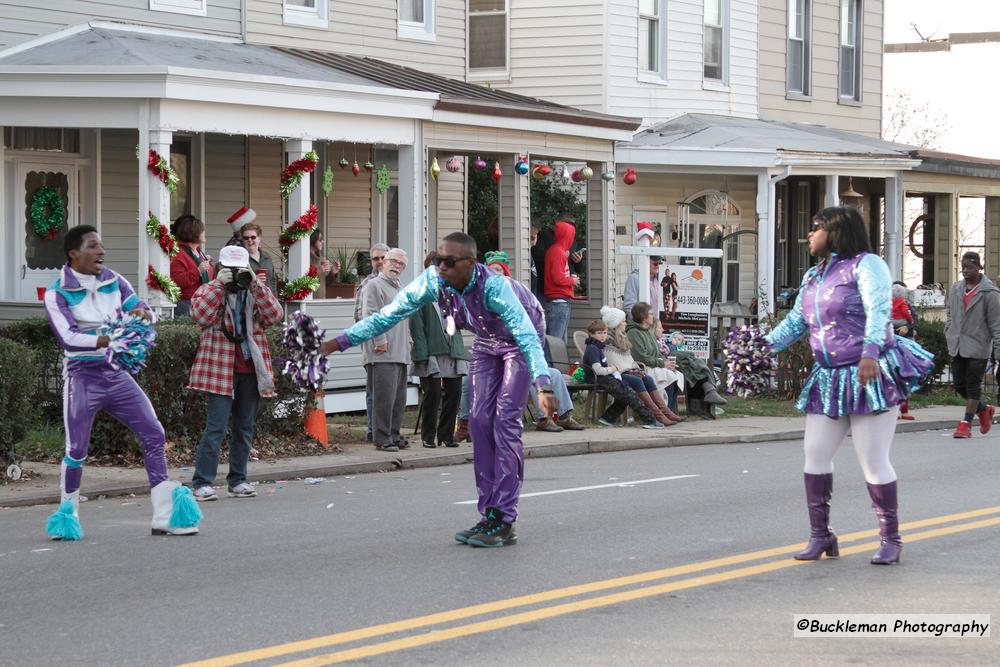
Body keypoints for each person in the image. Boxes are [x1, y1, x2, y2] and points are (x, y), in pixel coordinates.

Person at [320, 232, 560, 548]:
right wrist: (338, 343)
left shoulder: (495, 287)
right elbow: (388, 316)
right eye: (438, 261)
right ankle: (488, 513)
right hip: (488, 342)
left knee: (504, 422)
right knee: (478, 421)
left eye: (449, 262)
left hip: (519, 338)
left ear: (471, 264)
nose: (441, 267)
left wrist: (542, 385)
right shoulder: (434, 282)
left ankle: (504, 519)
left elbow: (527, 337)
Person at [766, 206, 933, 566]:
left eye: (815, 228)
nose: (809, 235)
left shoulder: (866, 264)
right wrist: (759, 347)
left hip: (866, 372)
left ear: (836, 231)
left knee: (873, 461)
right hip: (828, 376)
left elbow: (878, 310)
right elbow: (797, 322)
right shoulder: (813, 276)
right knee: (814, 454)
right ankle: (821, 535)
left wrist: (870, 353)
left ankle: (891, 539)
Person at [43, 225, 201, 539]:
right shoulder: (56, 292)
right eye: (93, 246)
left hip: (117, 376)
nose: (101, 252)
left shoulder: (115, 281)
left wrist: (144, 317)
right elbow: (69, 338)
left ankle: (164, 516)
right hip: (82, 379)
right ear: (74, 253)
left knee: (154, 432)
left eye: (101, 245)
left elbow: (141, 309)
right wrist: (109, 339)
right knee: (76, 450)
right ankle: (67, 515)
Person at [188, 245, 284, 501]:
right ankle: (202, 482)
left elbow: (275, 315)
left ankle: (238, 480)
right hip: (220, 368)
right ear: (220, 267)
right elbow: (200, 315)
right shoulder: (209, 290)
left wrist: (255, 284)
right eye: (229, 268)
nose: (234, 273)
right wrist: (218, 285)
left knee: (244, 427)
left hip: (250, 368)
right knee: (216, 427)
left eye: (239, 269)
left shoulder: (253, 291)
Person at [411, 251, 468, 449]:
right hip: (431, 351)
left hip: (453, 349)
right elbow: (417, 327)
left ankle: (446, 435)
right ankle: (428, 436)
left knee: (454, 394)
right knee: (432, 395)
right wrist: (422, 354)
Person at [945, 251, 1000, 439]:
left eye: (969, 267)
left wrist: (998, 350)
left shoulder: (990, 293)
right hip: (958, 345)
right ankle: (984, 410)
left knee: (973, 384)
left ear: (979, 267)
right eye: (963, 268)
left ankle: (966, 423)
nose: (965, 271)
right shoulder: (955, 289)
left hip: (978, 346)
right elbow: (950, 314)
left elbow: (996, 324)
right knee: (960, 385)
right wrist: (949, 331)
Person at [362, 247, 412, 452]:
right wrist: (379, 340)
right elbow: (371, 314)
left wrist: (408, 339)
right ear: (384, 262)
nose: (397, 266)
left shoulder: (399, 287)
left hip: (400, 351)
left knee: (398, 399)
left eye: (401, 264)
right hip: (381, 352)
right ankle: (382, 438)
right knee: (383, 398)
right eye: (393, 261)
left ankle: (394, 434)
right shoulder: (374, 285)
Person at [601, 306, 680, 426]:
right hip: (612, 374)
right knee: (637, 381)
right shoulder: (608, 339)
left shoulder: (621, 337)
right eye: (623, 322)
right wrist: (632, 370)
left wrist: (636, 369)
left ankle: (665, 412)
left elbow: (628, 359)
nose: (625, 323)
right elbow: (614, 362)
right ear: (616, 324)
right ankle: (655, 416)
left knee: (646, 378)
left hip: (624, 372)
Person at [582, 319, 663, 429]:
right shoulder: (593, 348)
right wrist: (612, 369)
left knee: (627, 392)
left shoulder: (598, 346)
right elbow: (598, 370)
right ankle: (650, 420)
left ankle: (607, 418)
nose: (602, 336)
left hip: (606, 377)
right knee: (629, 394)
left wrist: (611, 370)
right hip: (598, 379)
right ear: (591, 334)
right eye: (599, 333)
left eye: (604, 333)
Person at [355, 243, 391, 443]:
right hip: (372, 342)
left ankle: (388, 430)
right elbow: (360, 315)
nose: (379, 262)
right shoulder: (367, 284)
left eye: (382, 258)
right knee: (374, 389)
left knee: (390, 390)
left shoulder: (395, 282)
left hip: (395, 343)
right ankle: (373, 430)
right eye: (375, 258)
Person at [626, 303, 684, 413]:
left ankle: (669, 411)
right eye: (651, 314)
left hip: (654, 365)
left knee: (677, 374)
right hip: (642, 368)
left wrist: (666, 362)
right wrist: (662, 364)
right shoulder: (633, 333)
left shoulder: (647, 331)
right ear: (643, 317)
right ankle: (665, 412)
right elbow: (641, 357)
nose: (653, 316)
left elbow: (657, 353)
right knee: (669, 376)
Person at [169, 214, 214, 318]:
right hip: (187, 304)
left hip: (202, 303)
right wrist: (198, 271)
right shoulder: (179, 253)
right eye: (202, 230)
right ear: (193, 233)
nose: (204, 233)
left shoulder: (198, 253)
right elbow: (176, 281)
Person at [543, 220, 580, 343]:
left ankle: (557, 363)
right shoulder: (557, 252)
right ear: (567, 236)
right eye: (571, 236)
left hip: (561, 302)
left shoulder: (559, 251)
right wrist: (572, 281)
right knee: (555, 342)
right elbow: (557, 278)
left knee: (560, 342)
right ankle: (550, 363)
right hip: (558, 303)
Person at [891, 281, 916, 420]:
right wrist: (908, 323)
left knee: (903, 378)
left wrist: (909, 327)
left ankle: (903, 410)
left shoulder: (890, 305)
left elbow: (914, 322)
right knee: (897, 378)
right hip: (896, 345)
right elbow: (910, 319)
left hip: (902, 344)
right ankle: (897, 410)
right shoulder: (903, 305)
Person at [237, 222, 278, 298]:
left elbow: (273, 280)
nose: (249, 240)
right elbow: (237, 285)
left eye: (253, 237)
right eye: (246, 238)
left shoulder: (266, 256)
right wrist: (254, 281)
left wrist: (275, 300)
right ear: (243, 240)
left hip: (268, 302)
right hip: (249, 304)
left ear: (259, 238)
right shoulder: (240, 259)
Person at [308, 229, 342, 300]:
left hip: (321, 299)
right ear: (313, 240)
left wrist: (332, 273)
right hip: (309, 301)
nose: (322, 241)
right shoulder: (306, 258)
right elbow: (301, 281)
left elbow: (323, 283)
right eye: (320, 240)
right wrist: (318, 271)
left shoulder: (320, 258)